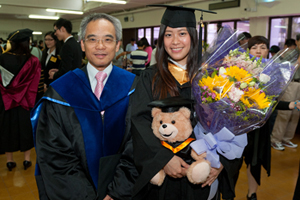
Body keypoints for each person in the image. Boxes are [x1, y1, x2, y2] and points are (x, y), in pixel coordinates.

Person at [130, 5, 240, 200]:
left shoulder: (213, 76)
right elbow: (139, 123)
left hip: (204, 172)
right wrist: (163, 159)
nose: (175, 41)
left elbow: (234, 122)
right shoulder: (150, 77)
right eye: (168, 35)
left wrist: (221, 162)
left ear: (193, 37)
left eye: (182, 34)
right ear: (162, 39)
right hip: (164, 180)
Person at [32, 13, 137, 200]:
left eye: (108, 39)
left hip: (124, 191)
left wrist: (116, 192)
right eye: (92, 39)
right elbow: (54, 155)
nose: (100, 46)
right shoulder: (60, 92)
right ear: (82, 44)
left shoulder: (134, 88)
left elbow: (137, 145)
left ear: (118, 45)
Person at [241, 36, 300, 200]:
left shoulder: (273, 71)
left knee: (255, 162)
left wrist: (292, 104)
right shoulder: (239, 70)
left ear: (268, 50)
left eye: (262, 47)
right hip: (238, 125)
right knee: (233, 162)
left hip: (260, 125)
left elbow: (271, 102)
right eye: (254, 47)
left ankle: (252, 194)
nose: (258, 51)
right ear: (248, 50)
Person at [0, 29, 41, 171]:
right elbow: (35, 84)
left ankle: (10, 161)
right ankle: (27, 159)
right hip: (24, 102)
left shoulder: (2, 58)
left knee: (7, 129)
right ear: (26, 43)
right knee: (25, 129)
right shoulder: (33, 61)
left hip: (6, 102)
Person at [270, 38, 300, 151]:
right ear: (297, 42)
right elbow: (282, 68)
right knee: (285, 113)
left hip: (299, 83)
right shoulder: (290, 52)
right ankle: (276, 140)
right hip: (290, 83)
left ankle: (287, 138)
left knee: (296, 113)